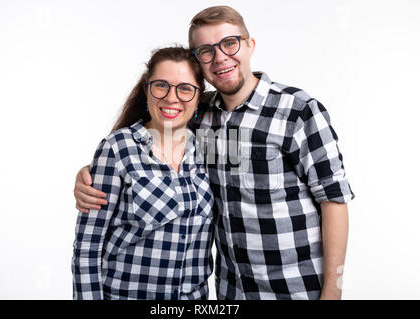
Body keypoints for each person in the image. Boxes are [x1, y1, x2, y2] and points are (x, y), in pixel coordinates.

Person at [74, 6, 355, 300]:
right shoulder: (201, 112)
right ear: (200, 64)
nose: (220, 57)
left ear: (250, 45)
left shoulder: (297, 110)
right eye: (206, 51)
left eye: (229, 43)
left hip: (295, 289)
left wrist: (332, 292)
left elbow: (334, 199)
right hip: (231, 292)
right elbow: (152, 135)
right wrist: (94, 174)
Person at [72, 46, 214, 300]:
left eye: (184, 88)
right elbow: (88, 247)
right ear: (147, 89)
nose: (172, 98)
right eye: (161, 85)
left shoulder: (210, 150)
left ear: (198, 96)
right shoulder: (117, 148)